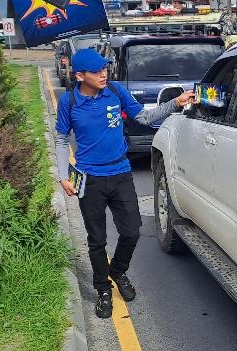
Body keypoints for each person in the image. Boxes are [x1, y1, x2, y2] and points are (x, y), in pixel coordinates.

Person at [55, 48, 195, 318]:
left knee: (131, 231)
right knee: (96, 239)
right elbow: (62, 139)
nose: (103, 74)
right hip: (89, 179)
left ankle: (117, 271)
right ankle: (103, 289)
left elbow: (143, 117)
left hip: (120, 173)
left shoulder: (115, 91)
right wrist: (63, 175)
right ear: (80, 75)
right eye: (96, 71)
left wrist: (175, 103)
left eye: (105, 68)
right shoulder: (68, 102)